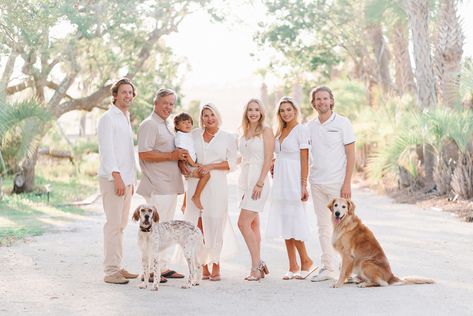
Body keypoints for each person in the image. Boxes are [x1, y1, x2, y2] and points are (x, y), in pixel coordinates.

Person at [136, 88, 187, 283]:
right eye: (165, 103)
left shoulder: (165, 125)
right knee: (156, 229)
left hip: (168, 185)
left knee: (164, 229)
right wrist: (171, 156)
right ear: (155, 103)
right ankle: (149, 270)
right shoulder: (149, 125)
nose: (168, 107)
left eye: (171, 104)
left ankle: (161, 267)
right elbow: (144, 153)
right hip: (158, 185)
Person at [183, 103, 237, 281]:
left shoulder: (228, 137)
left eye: (212, 114)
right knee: (198, 225)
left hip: (217, 185)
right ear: (202, 118)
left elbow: (231, 164)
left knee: (215, 224)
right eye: (205, 115)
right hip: (195, 183)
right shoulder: (194, 135)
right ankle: (203, 264)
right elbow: (186, 157)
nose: (209, 118)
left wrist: (211, 165)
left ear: (218, 115)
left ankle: (216, 263)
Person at [307, 86, 356, 282]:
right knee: (323, 226)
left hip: (337, 183)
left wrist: (347, 183)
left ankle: (348, 270)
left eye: (325, 99)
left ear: (331, 101)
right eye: (318, 99)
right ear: (313, 103)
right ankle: (328, 268)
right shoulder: (309, 126)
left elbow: (351, 154)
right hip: (317, 182)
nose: (321, 102)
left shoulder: (343, 123)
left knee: (344, 227)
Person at [266, 96, 316, 280]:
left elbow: (304, 159)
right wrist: (273, 162)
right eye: (282, 110)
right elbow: (279, 154)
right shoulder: (280, 131)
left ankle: (306, 261)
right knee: (285, 220)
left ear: (295, 110)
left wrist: (303, 184)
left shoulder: (301, 130)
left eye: (289, 109)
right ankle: (293, 265)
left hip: (294, 178)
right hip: (280, 180)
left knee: (294, 220)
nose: (286, 113)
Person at [97, 78, 138, 284]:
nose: (127, 96)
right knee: (113, 225)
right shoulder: (108, 118)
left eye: (130, 92)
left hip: (126, 180)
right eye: (123, 92)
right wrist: (117, 177)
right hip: (113, 179)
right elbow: (107, 151)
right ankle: (110, 271)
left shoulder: (124, 117)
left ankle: (118, 266)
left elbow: (128, 153)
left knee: (121, 225)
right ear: (115, 95)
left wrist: (132, 179)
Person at [237, 99, 274, 281]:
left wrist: (260, 182)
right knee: (252, 224)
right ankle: (258, 264)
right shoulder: (244, 131)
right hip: (246, 181)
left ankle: (256, 266)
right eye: (250, 109)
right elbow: (243, 158)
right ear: (246, 112)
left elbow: (268, 158)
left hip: (259, 182)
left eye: (257, 110)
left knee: (242, 223)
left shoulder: (266, 131)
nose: (253, 113)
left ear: (261, 112)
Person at [173, 112, 210, 211]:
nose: (188, 124)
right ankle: (196, 197)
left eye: (189, 122)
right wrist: (193, 163)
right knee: (206, 175)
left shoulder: (187, 135)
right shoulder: (180, 136)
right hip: (188, 165)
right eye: (184, 122)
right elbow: (184, 152)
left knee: (196, 181)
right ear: (177, 125)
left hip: (190, 163)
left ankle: (186, 204)